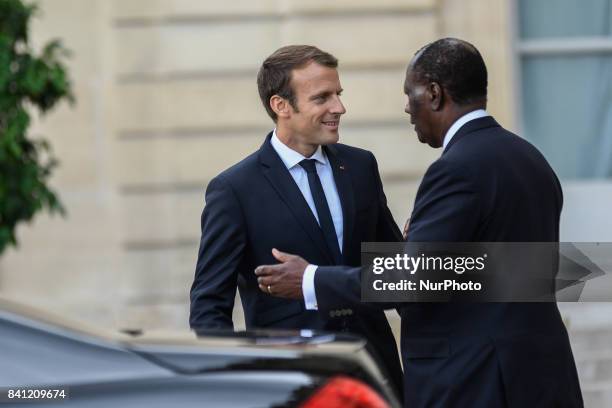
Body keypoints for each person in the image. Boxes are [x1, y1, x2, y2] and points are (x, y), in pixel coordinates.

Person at [255, 38, 583, 407]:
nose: (407, 108)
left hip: (481, 382)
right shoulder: (528, 157)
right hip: (541, 377)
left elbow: (414, 281)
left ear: (434, 94)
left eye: (410, 94)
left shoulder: (457, 169)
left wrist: (310, 279)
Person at [189, 45, 404, 398]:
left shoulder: (361, 167)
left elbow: (397, 273)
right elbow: (209, 306)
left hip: (374, 374)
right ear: (281, 106)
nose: (339, 107)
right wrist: (233, 383)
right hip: (290, 384)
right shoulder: (234, 189)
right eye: (322, 98)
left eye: (338, 94)